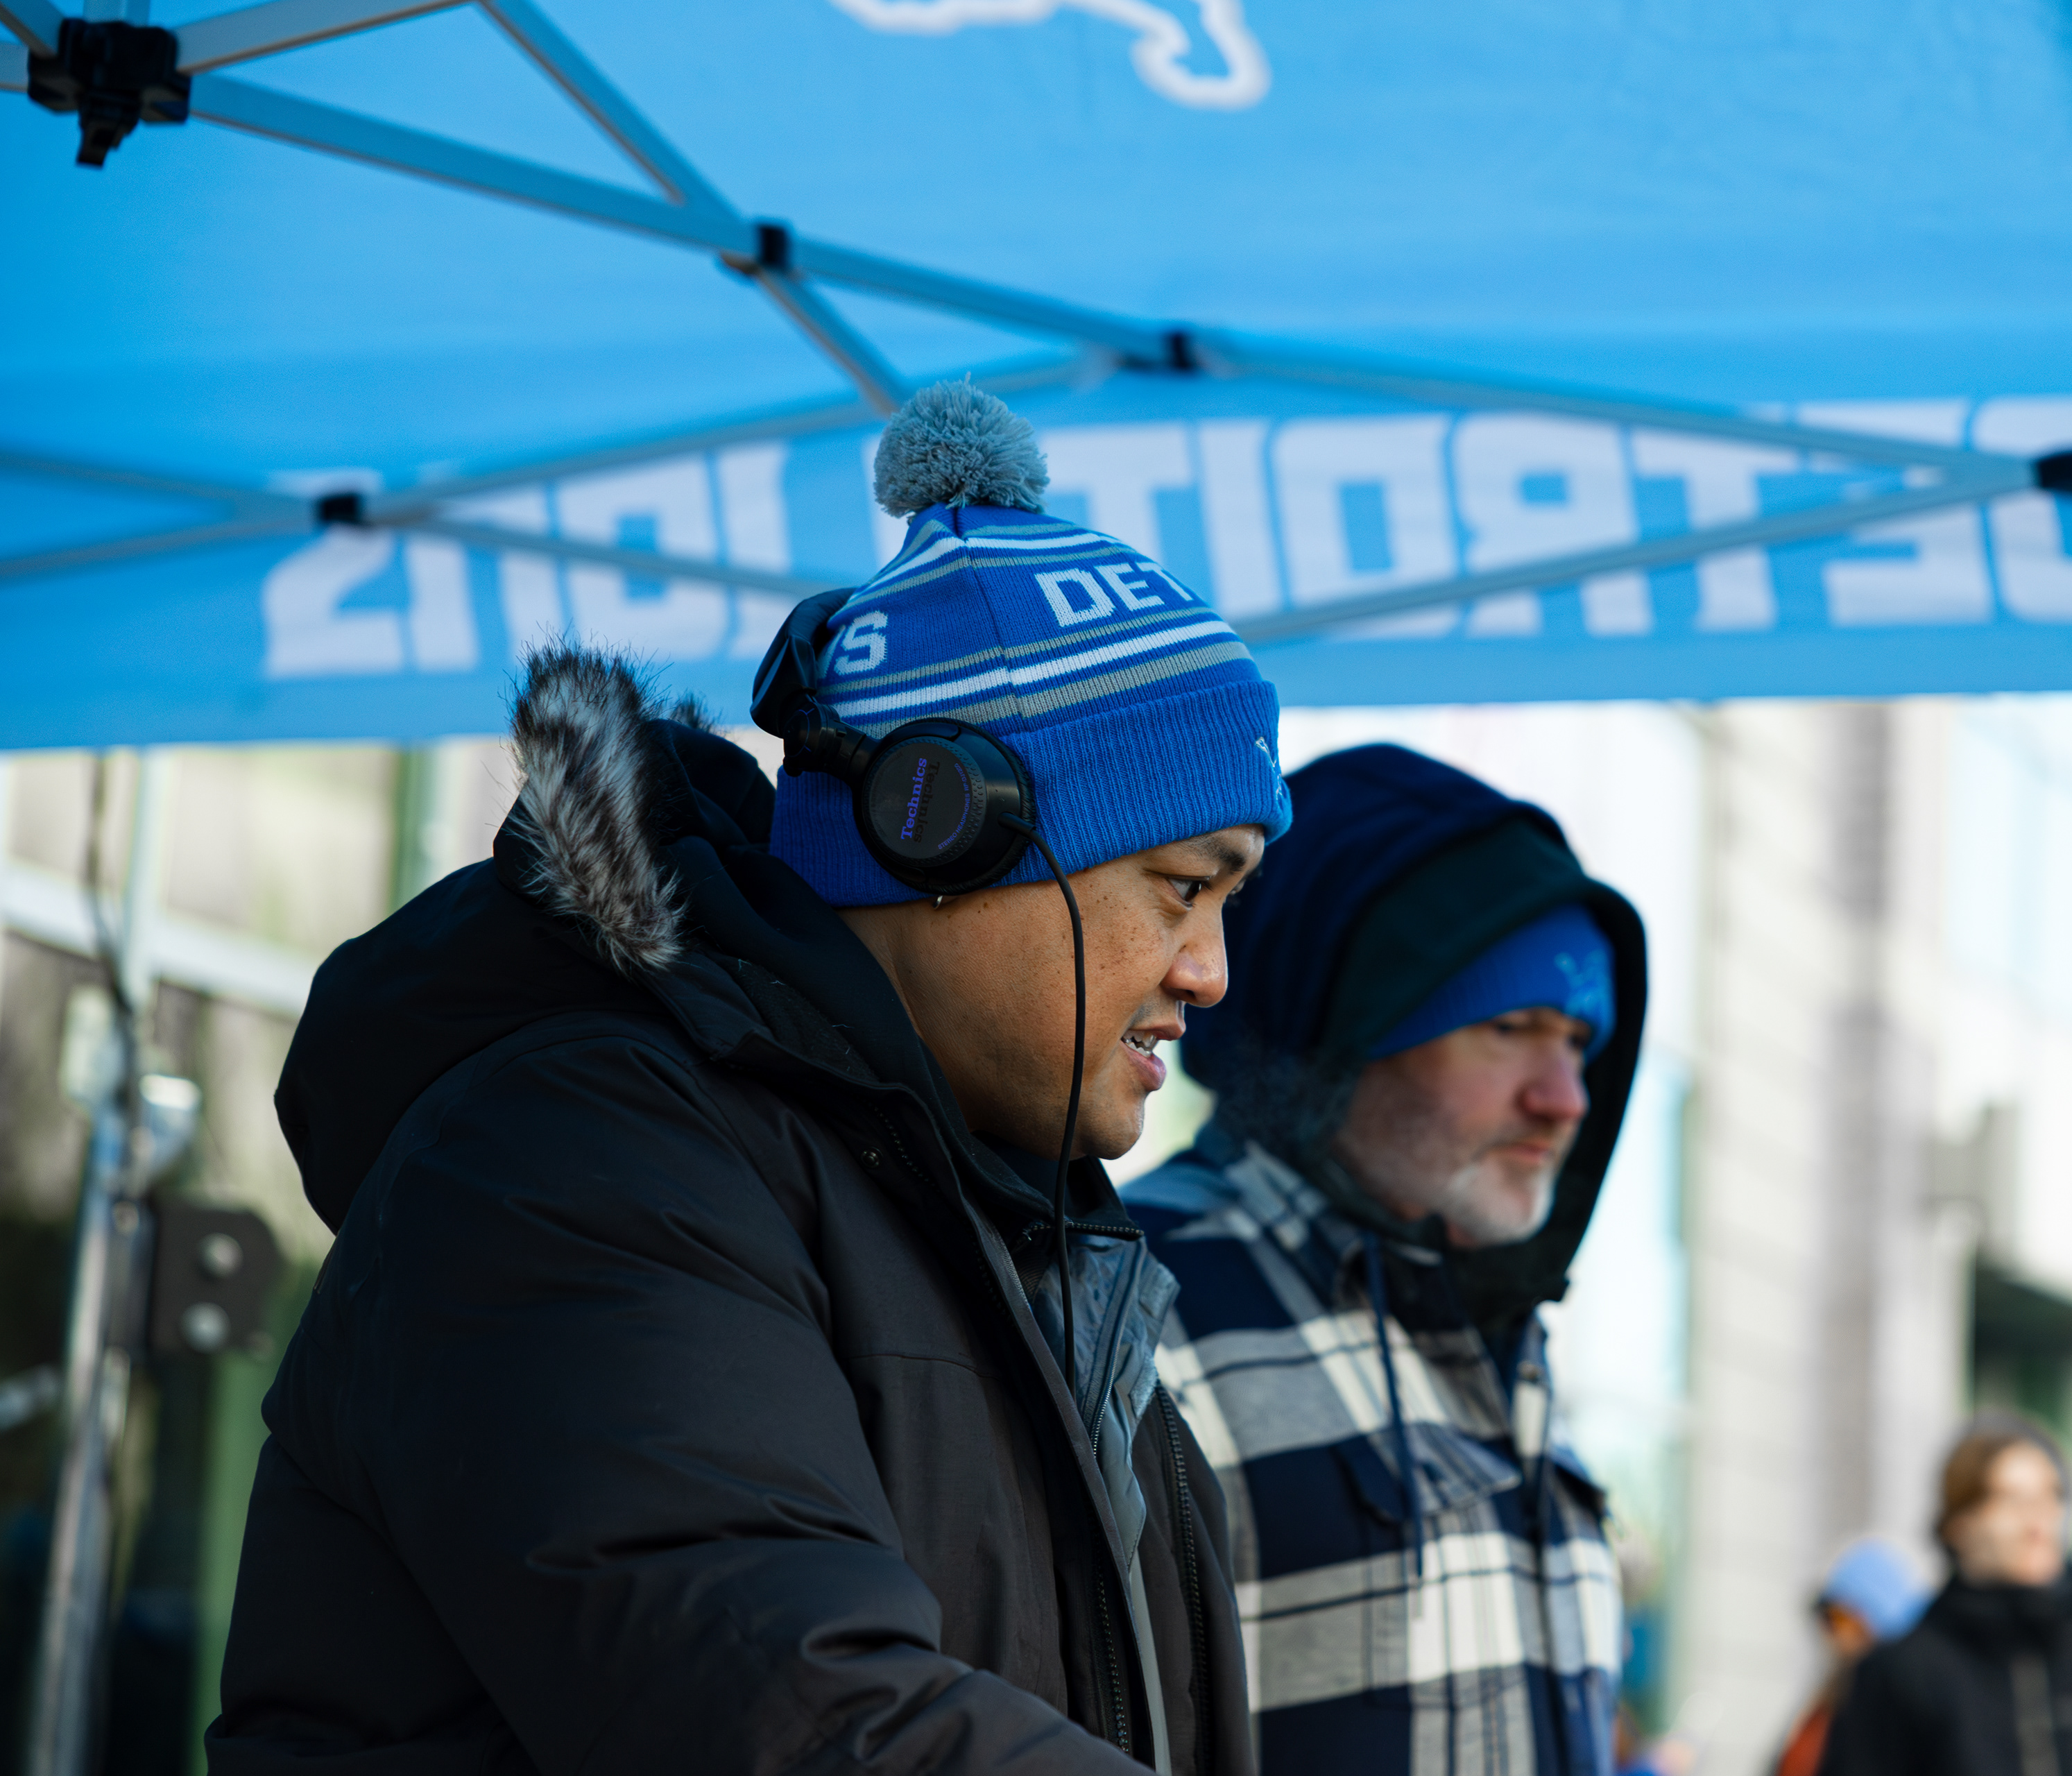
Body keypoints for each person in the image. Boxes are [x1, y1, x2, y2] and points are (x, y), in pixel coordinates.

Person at [207, 382, 1291, 1774]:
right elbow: (807, 1723)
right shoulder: (573, 1167)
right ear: (941, 831)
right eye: (1184, 886)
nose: (1210, 972)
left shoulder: (1014, 1240)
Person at [1124, 743, 1647, 1776]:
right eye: (1509, 1027)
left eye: (1580, 1043)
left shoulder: (1497, 1330)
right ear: (1345, 1030)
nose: (1564, 1098)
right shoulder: (1134, 1300)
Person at [1820, 1416, 2072, 1776]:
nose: (2038, 1522)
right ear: (1959, 1526)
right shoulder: (1904, 1674)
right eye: (2013, 1500)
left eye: (2053, 1496)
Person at [1773, 1539, 1933, 1776]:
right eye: (1830, 1621)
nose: (1838, 1638)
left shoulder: (1913, 1707)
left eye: (1847, 1621)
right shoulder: (1830, 1700)